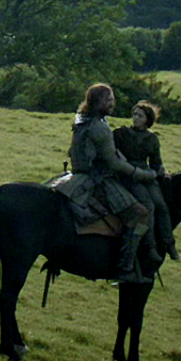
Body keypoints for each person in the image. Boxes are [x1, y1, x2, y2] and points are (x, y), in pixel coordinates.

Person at [48, 83, 156, 282]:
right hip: (96, 180)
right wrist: (143, 174)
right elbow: (113, 164)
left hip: (76, 176)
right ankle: (125, 268)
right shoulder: (100, 126)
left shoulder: (81, 119)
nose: (112, 103)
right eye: (108, 100)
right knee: (140, 214)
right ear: (97, 101)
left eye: (112, 99)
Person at [113, 101, 180, 262]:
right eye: (135, 114)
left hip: (147, 176)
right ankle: (149, 246)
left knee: (161, 206)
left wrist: (160, 172)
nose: (135, 118)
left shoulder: (152, 138)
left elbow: (156, 162)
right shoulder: (121, 134)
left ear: (147, 119)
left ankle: (169, 243)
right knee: (147, 206)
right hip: (128, 174)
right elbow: (113, 153)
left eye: (140, 116)